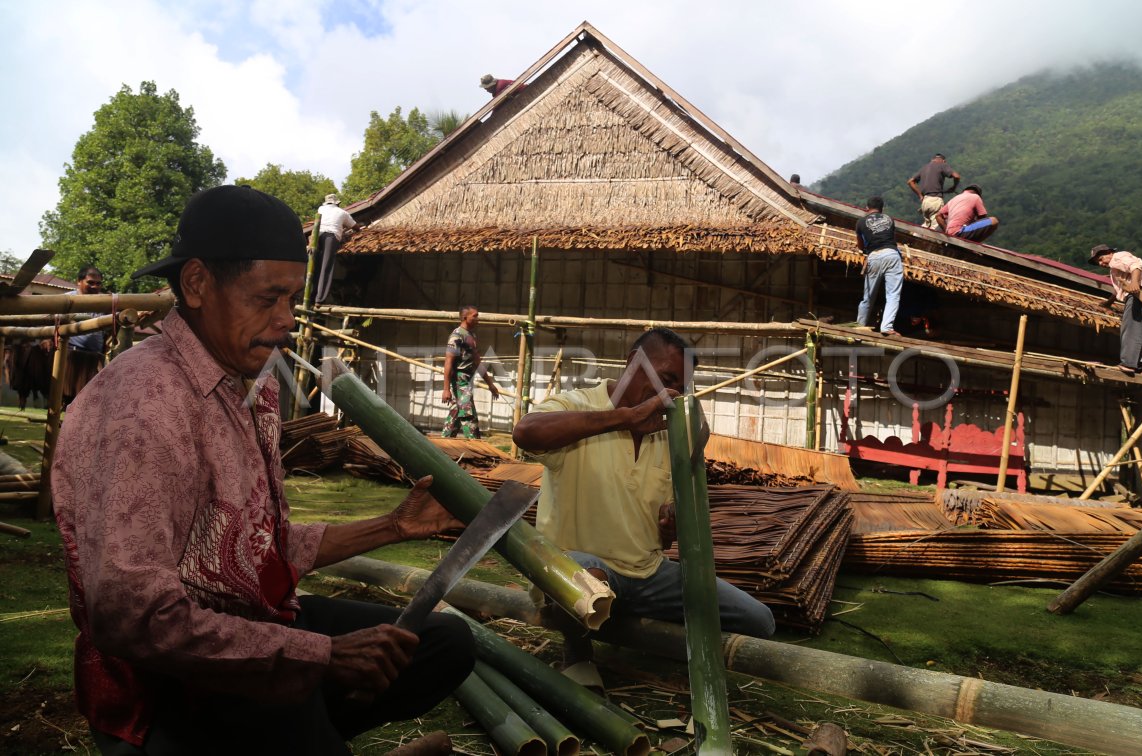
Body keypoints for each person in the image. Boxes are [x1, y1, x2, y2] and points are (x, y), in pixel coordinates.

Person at [53, 185, 473, 755]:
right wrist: (320, 656)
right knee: (289, 696)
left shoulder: (254, 384)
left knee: (440, 643)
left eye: (293, 300)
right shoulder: (145, 405)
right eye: (267, 299)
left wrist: (396, 526)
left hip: (256, 623)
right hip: (163, 684)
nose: (286, 321)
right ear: (198, 283)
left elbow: (255, 546)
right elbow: (132, 617)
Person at [511, 328, 775, 686]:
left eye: (680, 388)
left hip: (647, 575)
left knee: (759, 621)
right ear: (633, 363)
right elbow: (526, 432)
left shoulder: (669, 435)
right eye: (666, 380)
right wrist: (624, 417)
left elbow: (665, 533)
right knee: (586, 578)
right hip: (584, 570)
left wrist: (670, 525)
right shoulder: (579, 405)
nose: (671, 395)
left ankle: (625, 626)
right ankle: (578, 653)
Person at [1089, 243, 1142, 377]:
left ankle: (1128, 364)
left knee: (1132, 326)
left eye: (1101, 259)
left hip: (1141, 289)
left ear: (1109, 252)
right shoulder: (1115, 269)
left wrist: (1135, 283)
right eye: (1098, 262)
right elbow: (1120, 288)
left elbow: (1135, 267)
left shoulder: (1117, 258)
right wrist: (1109, 302)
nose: (1101, 264)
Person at [442, 306, 500, 439]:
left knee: (455, 415)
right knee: (469, 416)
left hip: (467, 380)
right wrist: (446, 389)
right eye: (475, 316)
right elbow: (448, 362)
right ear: (465, 317)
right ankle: (476, 446)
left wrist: (490, 384)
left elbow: (477, 361)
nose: (478, 318)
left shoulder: (471, 336)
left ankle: (443, 446)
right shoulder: (457, 336)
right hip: (459, 380)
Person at [854, 196, 904, 336]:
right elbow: (893, 238)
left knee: (868, 296)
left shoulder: (860, 222)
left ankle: (860, 326)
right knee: (893, 294)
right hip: (892, 254)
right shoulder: (889, 219)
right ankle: (887, 327)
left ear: (866, 208)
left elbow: (860, 245)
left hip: (874, 256)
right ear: (882, 209)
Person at [62, 265, 106, 405]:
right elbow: (49, 321)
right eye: (90, 282)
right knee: (67, 397)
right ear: (79, 282)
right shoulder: (66, 300)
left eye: (98, 283)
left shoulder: (106, 302)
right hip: (70, 354)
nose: (95, 286)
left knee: (90, 399)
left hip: (95, 357)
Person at [315, 193, 360, 304]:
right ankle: (319, 299)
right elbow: (355, 227)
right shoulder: (342, 212)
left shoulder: (321, 209)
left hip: (317, 235)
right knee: (327, 267)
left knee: (317, 266)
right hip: (331, 237)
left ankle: (312, 296)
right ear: (337, 203)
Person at [907, 153, 960, 229]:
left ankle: (915, 236)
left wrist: (920, 195)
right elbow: (956, 176)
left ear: (932, 159)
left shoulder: (924, 168)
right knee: (936, 227)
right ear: (943, 161)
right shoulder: (942, 165)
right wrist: (954, 187)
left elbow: (910, 182)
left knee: (926, 225)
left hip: (925, 202)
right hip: (935, 200)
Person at [935, 184, 999, 243]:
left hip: (951, 232)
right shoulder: (976, 197)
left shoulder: (955, 198)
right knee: (994, 221)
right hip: (959, 232)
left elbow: (938, 216)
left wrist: (946, 230)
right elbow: (982, 218)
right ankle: (974, 245)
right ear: (977, 193)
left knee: (948, 219)